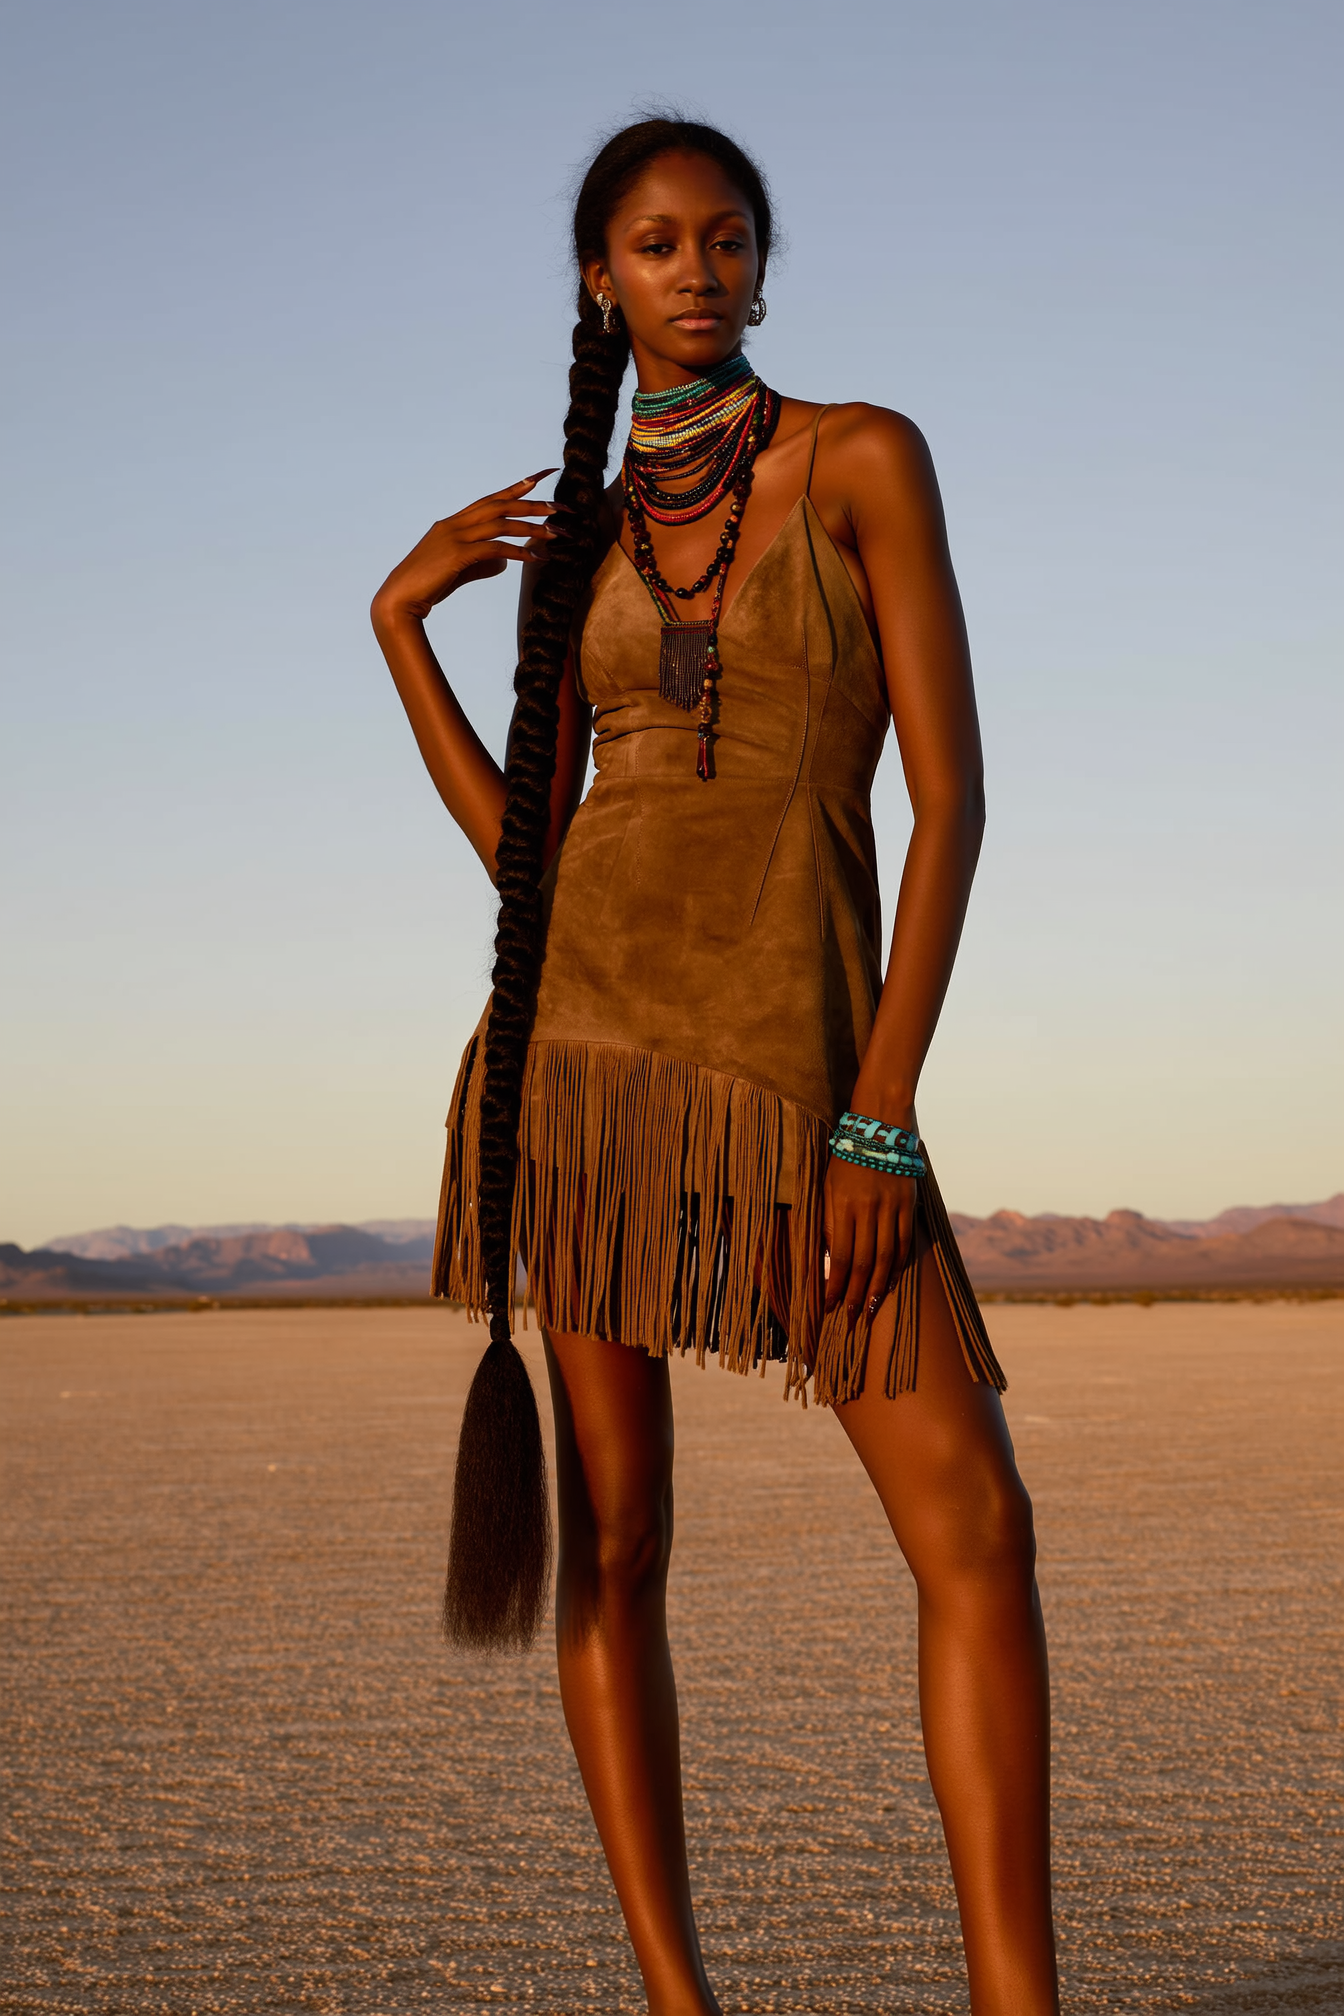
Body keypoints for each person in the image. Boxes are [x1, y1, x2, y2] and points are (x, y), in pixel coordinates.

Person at [372, 116, 1058, 2016]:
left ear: (760, 262)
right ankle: (680, 2003)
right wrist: (397, 620)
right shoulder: (581, 533)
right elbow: (532, 848)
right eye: (658, 244)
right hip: (580, 1068)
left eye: (729, 236)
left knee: (978, 1529)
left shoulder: (861, 456)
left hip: (802, 1082)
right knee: (624, 1539)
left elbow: (952, 804)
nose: (700, 268)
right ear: (602, 279)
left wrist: (879, 1109)